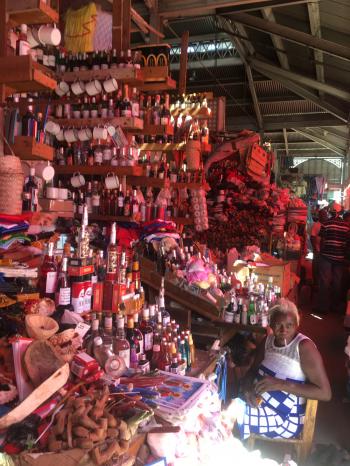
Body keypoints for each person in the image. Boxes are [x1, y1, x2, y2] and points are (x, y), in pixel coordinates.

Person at [234, 299, 331, 440]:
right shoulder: (268, 341)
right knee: (220, 409)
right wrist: (248, 387)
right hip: (258, 403)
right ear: (271, 324)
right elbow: (253, 370)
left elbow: (325, 393)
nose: (283, 330)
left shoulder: (303, 347)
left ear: (297, 325)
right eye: (278, 325)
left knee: (230, 421)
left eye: (289, 325)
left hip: (284, 418)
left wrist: (280, 384)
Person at [317, 202, 350, 314]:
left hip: (326, 255)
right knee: (337, 282)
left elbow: (322, 240)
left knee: (324, 281)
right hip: (340, 257)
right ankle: (335, 306)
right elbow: (347, 242)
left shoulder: (326, 223)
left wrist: (321, 252)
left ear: (330, 212)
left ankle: (323, 307)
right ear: (340, 212)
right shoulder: (346, 225)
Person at [310, 208, 328, 288]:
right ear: (320, 216)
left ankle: (321, 282)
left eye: (325, 215)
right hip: (317, 249)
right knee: (316, 266)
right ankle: (316, 282)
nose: (325, 216)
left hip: (325, 251)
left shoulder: (327, 225)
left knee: (322, 267)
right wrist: (315, 248)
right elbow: (312, 237)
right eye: (323, 215)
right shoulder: (316, 225)